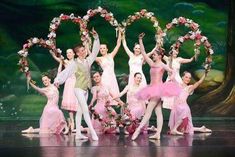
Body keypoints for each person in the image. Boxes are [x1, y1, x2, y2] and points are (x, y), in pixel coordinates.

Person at [131, 33, 181, 140]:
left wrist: (171, 77)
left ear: (159, 56)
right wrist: (140, 40)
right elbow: (144, 53)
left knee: (148, 111)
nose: (153, 55)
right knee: (158, 111)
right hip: (152, 88)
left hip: (158, 90)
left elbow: (172, 71)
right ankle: (158, 134)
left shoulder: (162, 64)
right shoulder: (151, 63)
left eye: (154, 54)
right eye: (153, 54)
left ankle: (138, 130)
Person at [54, 28, 100, 141]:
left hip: (85, 89)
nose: (84, 52)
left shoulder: (88, 61)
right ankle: (93, 132)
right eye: (82, 51)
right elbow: (66, 72)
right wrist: (57, 80)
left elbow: (95, 51)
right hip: (78, 89)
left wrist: (96, 38)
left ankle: (78, 134)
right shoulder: (74, 64)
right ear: (77, 53)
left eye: (84, 50)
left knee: (79, 111)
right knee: (84, 109)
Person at [168, 71, 212, 135]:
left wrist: (205, 74)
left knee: (185, 111)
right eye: (186, 77)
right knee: (184, 128)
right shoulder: (177, 84)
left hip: (183, 107)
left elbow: (199, 82)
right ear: (182, 77)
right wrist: (170, 62)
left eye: (189, 78)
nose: (188, 79)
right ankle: (201, 129)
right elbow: (170, 75)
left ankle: (174, 129)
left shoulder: (189, 88)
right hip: (176, 108)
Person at [95, 28, 122, 98]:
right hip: (105, 77)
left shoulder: (111, 55)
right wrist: (86, 44)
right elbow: (91, 56)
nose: (102, 49)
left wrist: (120, 32)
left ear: (107, 49)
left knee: (113, 94)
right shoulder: (100, 59)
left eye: (104, 48)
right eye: (100, 48)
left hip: (112, 76)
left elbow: (118, 44)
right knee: (106, 94)